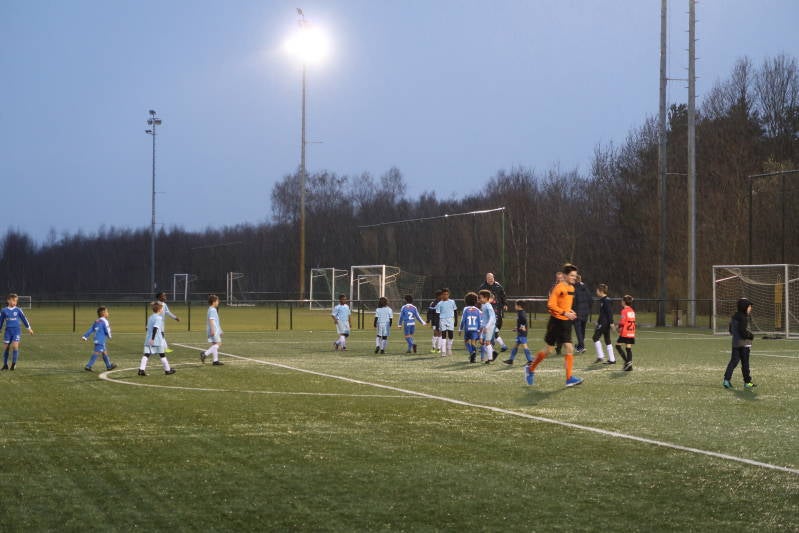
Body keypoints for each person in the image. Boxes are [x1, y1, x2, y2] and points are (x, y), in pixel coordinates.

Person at [526, 264, 583, 387]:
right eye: (572, 275)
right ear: (565, 276)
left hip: (566, 322)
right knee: (549, 350)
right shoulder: (559, 287)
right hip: (556, 322)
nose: (574, 277)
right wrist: (565, 312)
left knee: (569, 348)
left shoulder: (572, 288)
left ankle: (569, 379)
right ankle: (531, 369)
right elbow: (551, 305)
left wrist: (570, 311)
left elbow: (565, 304)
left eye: (575, 275)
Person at [723, 298, 756, 389]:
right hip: (744, 343)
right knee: (745, 363)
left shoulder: (734, 316)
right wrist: (750, 335)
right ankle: (747, 382)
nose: (750, 308)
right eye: (749, 307)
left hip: (735, 342)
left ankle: (726, 380)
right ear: (744, 307)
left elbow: (731, 330)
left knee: (733, 362)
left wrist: (736, 336)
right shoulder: (743, 317)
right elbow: (743, 332)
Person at [138, 301, 176, 376]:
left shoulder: (150, 317)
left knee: (146, 354)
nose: (162, 310)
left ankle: (141, 370)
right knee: (162, 354)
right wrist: (153, 339)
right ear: (159, 310)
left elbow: (147, 328)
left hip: (148, 339)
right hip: (156, 340)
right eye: (161, 309)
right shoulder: (159, 318)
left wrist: (150, 337)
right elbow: (155, 328)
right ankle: (167, 370)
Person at [0, 293, 34, 371]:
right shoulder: (4, 310)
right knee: (6, 348)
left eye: (16, 301)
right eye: (13, 300)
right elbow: (0, 321)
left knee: (15, 346)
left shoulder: (18, 310)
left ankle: (13, 364)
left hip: (16, 331)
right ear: (8, 300)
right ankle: (5, 365)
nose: (15, 302)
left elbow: (24, 319)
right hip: (8, 331)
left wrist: (29, 328)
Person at [81, 306, 117, 372]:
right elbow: (107, 329)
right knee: (97, 352)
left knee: (104, 352)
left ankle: (108, 366)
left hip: (97, 339)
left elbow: (91, 329)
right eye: (107, 312)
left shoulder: (97, 321)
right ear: (103, 313)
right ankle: (88, 366)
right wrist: (109, 336)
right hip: (101, 340)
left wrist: (85, 336)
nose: (108, 313)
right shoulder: (105, 321)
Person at [479, 272, 508, 352]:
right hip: (488, 310)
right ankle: (499, 345)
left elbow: (503, 295)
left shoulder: (498, 286)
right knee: (493, 330)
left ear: (493, 278)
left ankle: (489, 345)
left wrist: (505, 304)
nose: (490, 279)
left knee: (494, 328)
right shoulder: (483, 287)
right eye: (489, 278)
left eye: (491, 278)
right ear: (486, 279)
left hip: (496, 309)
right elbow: (480, 298)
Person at [503, 300, 533, 366]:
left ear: (519, 306)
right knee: (516, 346)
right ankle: (511, 360)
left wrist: (522, 327)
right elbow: (521, 321)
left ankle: (530, 361)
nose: (515, 306)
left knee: (525, 346)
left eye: (515, 305)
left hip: (522, 333)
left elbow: (524, 320)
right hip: (520, 332)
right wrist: (517, 328)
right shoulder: (520, 312)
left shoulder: (521, 313)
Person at [592, 284, 616, 364]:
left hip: (604, 323)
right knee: (607, 340)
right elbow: (602, 313)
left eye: (597, 290)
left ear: (601, 291)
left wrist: (611, 323)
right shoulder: (603, 300)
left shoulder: (606, 300)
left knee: (595, 337)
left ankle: (600, 356)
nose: (596, 292)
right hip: (603, 322)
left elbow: (609, 313)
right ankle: (612, 359)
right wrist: (598, 322)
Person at [458, 292, 482, 363]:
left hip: (468, 329)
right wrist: (479, 330)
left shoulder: (465, 309)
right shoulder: (477, 310)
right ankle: (473, 357)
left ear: (466, 301)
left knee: (466, 341)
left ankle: (471, 352)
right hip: (475, 329)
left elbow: (463, 320)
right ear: (476, 301)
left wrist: (460, 329)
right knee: (473, 343)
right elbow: (480, 320)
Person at [201, 294, 224, 365]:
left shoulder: (210, 309)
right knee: (219, 343)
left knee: (214, 344)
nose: (218, 302)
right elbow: (211, 320)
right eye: (217, 301)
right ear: (213, 302)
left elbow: (215, 321)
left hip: (213, 329)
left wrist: (220, 330)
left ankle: (215, 361)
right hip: (213, 330)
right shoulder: (213, 310)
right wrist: (213, 330)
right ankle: (205, 353)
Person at [615, 295, 637, 371]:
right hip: (631, 332)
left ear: (624, 302)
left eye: (622, 301)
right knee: (628, 348)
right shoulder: (632, 311)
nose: (621, 302)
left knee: (618, 346)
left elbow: (622, 322)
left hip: (625, 332)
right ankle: (629, 366)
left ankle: (627, 362)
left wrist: (618, 328)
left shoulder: (624, 311)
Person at [435, 288, 458, 357]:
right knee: (443, 335)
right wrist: (437, 325)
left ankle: (449, 348)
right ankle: (443, 352)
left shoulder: (452, 302)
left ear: (449, 294)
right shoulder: (439, 304)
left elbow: (455, 311)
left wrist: (456, 320)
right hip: (442, 320)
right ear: (441, 295)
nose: (445, 296)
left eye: (447, 294)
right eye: (444, 294)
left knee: (451, 335)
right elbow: (437, 315)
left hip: (450, 319)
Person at [572, 274, 592, 353]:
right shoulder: (586, 288)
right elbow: (590, 299)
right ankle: (580, 346)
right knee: (582, 330)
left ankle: (581, 346)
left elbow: (573, 301)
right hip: (585, 312)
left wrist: (572, 310)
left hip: (577, 312)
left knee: (578, 331)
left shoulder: (574, 288)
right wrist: (588, 308)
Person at [478, 289, 497, 363]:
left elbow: (492, 317)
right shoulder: (483, 305)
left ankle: (490, 359)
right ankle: (493, 353)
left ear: (486, 298)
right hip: (485, 326)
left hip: (489, 326)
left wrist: (487, 326)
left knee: (487, 342)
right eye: (479, 298)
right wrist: (482, 326)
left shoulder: (488, 306)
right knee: (482, 341)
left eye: (481, 298)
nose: (479, 299)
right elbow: (484, 318)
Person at [427, 289, 443, 353]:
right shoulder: (433, 303)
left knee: (440, 334)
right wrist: (428, 319)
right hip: (434, 320)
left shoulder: (443, 303)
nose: (442, 296)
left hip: (441, 320)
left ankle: (439, 348)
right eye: (441, 295)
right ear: (438, 296)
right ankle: (433, 348)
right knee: (435, 333)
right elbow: (429, 312)